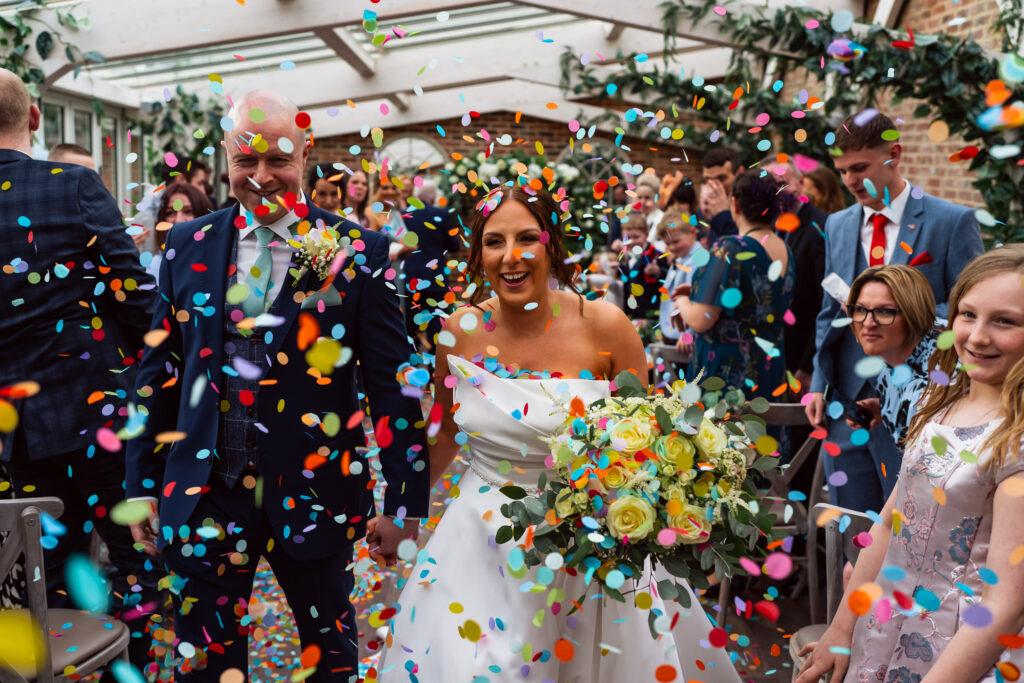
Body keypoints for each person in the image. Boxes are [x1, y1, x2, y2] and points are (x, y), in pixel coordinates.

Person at [376, 184, 741, 683]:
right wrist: (404, 515)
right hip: (479, 543)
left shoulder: (607, 328)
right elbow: (441, 438)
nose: (511, 257)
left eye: (527, 238)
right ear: (478, 252)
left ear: (552, 245)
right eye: (494, 242)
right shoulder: (457, 331)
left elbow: (648, 443)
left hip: (589, 544)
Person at [124, 89, 430, 682]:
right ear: (226, 159)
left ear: (306, 154)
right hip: (205, 491)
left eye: (278, 160)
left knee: (331, 661)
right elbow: (158, 374)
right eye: (246, 161)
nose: (262, 176)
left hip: (316, 492)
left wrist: (405, 502)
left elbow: (393, 386)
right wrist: (140, 481)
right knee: (206, 667)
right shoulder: (186, 245)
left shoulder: (356, 252)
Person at [796, 244, 1024, 683]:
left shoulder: (1014, 438)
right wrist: (843, 627)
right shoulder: (943, 402)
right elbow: (888, 524)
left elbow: (1005, 605)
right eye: (968, 314)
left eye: (1005, 321)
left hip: (960, 648)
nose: (977, 336)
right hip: (887, 620)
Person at [0, 68, 160, 674]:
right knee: (132, 556)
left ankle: (67, 666)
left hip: (9, 435)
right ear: (36, 118)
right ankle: (130, 667)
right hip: (92, 416)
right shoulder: (74, 185)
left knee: (45, 570)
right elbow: (133, 294)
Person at [805, 111, 984, 514]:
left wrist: (903, 310)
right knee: (851, 534)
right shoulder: (837, 224)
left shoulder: (952, 221)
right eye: (841, 170)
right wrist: (818, 382)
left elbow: (973, 313)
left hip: (919, 406)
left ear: (894, 154)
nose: (850, 180)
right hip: (846, 402)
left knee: (910, 529)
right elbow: (828, 313)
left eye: (860, 167)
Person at [677, 171, 794, 400]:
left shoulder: (731, 246)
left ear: (735, 204)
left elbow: (701, 320)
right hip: (769, 368)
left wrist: (682, 301)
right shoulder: (784, 247)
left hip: (729, 372)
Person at [846, 265, 939, 448]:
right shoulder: (893, 361)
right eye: (861, 310)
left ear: (914, 313)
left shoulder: (935, 383)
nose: (868, 323)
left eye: (885, 312)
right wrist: (888, 409)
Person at [762, 156, 827, 393]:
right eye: (769, 186)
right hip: (772, 356)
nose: (776, 191)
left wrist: (809, 366)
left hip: (803, 356)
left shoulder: (820, 227)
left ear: (800, 182)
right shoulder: (769, 227)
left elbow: (826, 303)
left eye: (782, 182)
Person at [399, 178, 461, 350]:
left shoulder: (404, 214)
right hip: (435, 278)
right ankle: (435, 370)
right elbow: (454, 245)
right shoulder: (440, 214)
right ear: (433, 197)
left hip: (410, 278)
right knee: (436, 328)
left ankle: (412, 370)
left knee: (412, 329)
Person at [146, 183, 214, 286]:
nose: (178, 220)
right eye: (170, 213)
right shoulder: (156, 266)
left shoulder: (219, 261)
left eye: (188, 211)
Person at [656, 208, 703, 353]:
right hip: (672, 334)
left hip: (684, 339)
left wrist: (688, 334)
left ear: (692, 232)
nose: (671, 248)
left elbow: (698, 300)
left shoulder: (698, 260)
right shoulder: (681, 259)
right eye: (667, 244)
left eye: (676, 242)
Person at [621, 211, 667, 324]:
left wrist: (659, 272)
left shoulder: (656, 255)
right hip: (631, 312)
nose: (631, 242)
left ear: (646, 235)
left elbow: (667, 277)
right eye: (627, 237)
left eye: (636, 237)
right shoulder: (624, 256)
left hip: (651, 313)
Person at [699, 147, 743, 243]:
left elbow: (739, 246)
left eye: (721, 178)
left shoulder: (750, 206)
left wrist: (722, 215)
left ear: (739, 173)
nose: (714, 186)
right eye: (708, 180)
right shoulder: (707, 207)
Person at [634, 173, 664, 249]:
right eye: (639, 197)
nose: (642, 202)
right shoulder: (636, 217)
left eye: (647, 197)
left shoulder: (661, 218)